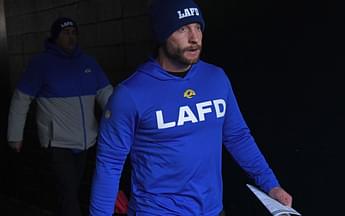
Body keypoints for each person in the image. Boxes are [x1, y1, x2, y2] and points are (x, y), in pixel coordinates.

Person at [89, 0, 292, 215]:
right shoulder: (130, 94)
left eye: (198, 27)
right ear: (162, 34)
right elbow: (109, 164)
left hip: (212, 210)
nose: (194, 38)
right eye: (182, 28)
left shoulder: (216, 78)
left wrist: (271, 184)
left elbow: (237, 136)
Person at [7, 17, 113, 216]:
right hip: (57, 143)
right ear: (55, 37)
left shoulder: (88, 63)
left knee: (72, 191)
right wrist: (15, 135)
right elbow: (21, 99)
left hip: (86, 141)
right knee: (68, 193)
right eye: (65, 33)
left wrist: (125, 124)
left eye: (74, 32)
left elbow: (108, 96)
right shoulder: (41, 64)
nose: (71, 37)